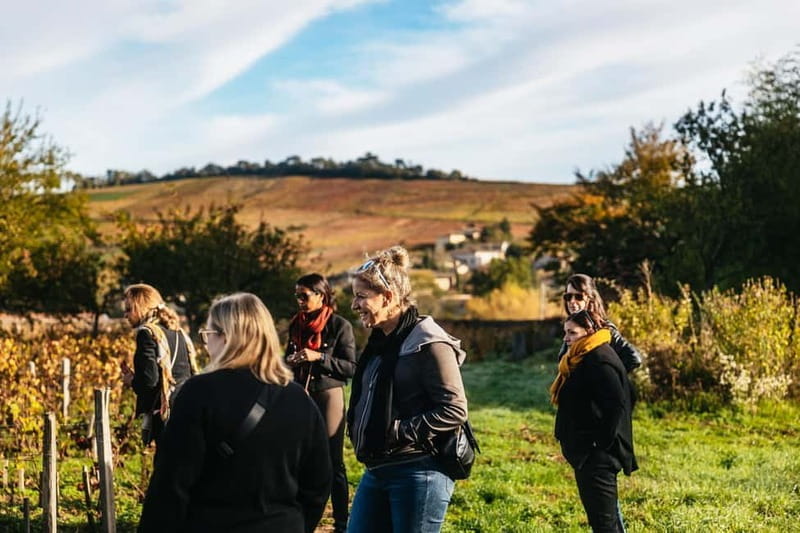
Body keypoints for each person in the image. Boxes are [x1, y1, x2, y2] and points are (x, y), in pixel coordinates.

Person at [138, 293, 332, 533]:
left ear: (226, 338)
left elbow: (171, 484)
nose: (207, 345)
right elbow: (318, 484)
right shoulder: (300, 400)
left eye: (208, 335)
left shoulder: (199, 393)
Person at [346, 246, 469, 533]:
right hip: (376, 470)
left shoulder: (429, 343)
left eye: (361, 297)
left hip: (418, 470)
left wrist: (400, 430)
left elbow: (455, 409)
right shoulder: (381, 341)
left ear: (388, 297)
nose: (354, 305)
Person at [551, 310, 637, 533]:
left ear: (589, 331)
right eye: (565, 332)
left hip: (597, 457)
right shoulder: (584, 356)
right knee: (603, 522)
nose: (566, 338)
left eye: (572, 332)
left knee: (604, 525)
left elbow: (619, 403)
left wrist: (598, 444)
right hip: (590, 455)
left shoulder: (599, 359)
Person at [286, 273, 356, 533]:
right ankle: (302, 518)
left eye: (304, 296)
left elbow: (350, 368)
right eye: (297, 296)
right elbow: (285, 359)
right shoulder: (295, 325)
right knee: (299, 458)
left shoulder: (339, 326)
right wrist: (290, 361)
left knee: (332, 461)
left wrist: (318, 357)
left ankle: (341, 522)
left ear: (321, 295)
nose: (300, 301)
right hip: (298, 395)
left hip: (328, 395)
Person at [120, 283, 198, 446]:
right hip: (187, 408)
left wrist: (132, 381)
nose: (126, 316)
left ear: (140, 307)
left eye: (129, 309)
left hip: (164, 414)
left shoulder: (147, 334)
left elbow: (149, 382)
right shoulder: (178, 333)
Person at [557, 273, 642, 373]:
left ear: (590, 299)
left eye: (578, 297)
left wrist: (606, 377)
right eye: (568, 296)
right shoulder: (571, 329)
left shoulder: (603, 329)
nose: (572, 301)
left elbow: (634, 358)